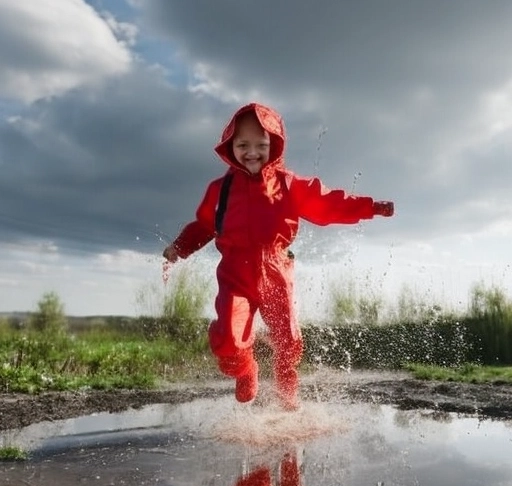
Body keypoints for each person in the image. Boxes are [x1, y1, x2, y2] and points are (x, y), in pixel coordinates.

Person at [162, 102, 394, 411]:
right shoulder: (221, 189)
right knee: (229, 342)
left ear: (275, 145)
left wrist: (370, 208)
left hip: (277, 272)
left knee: (288, 341)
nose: (252, 152)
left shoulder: (288, 185)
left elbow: (328, 204)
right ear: (230, 147)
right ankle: (246, 369)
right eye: (243, 145)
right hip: (235, 276)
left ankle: (287, 395)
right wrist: (180, 246)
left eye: (261, 144)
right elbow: (205, 225)